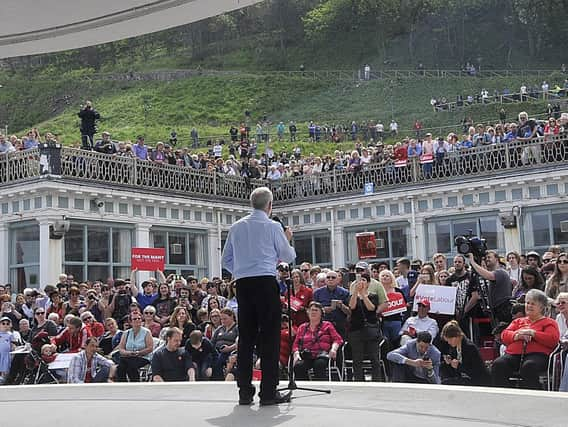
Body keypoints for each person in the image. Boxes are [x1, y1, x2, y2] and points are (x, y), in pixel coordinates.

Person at [221, 186, 296, 406]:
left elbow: (226, 260)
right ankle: (268, 392)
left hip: (243, 284)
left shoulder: (236, 227)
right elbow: (287, 256)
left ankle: (245, 392)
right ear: (270, 206)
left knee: (246, 338)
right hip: (265, 282)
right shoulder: (273, 226)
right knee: (270, 338)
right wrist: (287, 238)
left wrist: (243, 270)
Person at [491, 289, 560, 389]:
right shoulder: (518, 321)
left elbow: (553, 340)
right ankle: (502, 396)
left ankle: (532, 396)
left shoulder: (549, 322)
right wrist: (517, 335)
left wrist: (533, 333)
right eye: (527, 303)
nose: (529, 306)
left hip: (538, 355)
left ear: (541, 307)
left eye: (533, 304)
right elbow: (504, 335)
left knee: (529, 366)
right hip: (514, 354)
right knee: (499, 364)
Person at [292, 302, 342, 381]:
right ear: (308, 312)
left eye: (316, 310)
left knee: (319, 365)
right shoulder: (302, 327)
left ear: (321, 313)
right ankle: (305, 388)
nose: (313, 312)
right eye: (311, 310)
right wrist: (296, 353)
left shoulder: (327, 325)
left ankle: (321, 387)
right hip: (306, 355)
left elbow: (337, 339)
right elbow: (295, 344)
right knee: (298, 366)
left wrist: (334, 349)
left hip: (322, 355)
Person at [348, 273, 382, 381]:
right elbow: (351, 306)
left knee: (374, 358)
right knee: (357, 359)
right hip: (356, 330)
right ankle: (359, 380)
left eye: (363, 280)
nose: (361, 282)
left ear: (368, 283)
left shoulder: (373, 296)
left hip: (371, 329)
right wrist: (355, 292)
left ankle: (377, 380)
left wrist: (363, 294)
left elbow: (371, 308)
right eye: (359, 280)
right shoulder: (352, 296)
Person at [439, 320, 490, 386]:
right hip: (463, 377)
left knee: (448, 383)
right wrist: (449, 361)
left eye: (450, 340)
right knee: (443, 369)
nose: (449, 342)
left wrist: (459, 366)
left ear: (456, 336)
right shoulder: (453, 347)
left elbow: (476, 371)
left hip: (476, 379)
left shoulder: (470, 347)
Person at [467, 251, 512, 324]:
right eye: (485, 258)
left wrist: (472, 262)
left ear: (496, 259)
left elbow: (488, 275)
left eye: (489, 257)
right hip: (497, 310)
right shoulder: (496, 272)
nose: (487, 259)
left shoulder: (500, 272)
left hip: (503, 309)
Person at [116, 312, 153, 382]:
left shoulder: (147, 332)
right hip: (129, 356)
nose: (137, 320)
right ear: (130, 322)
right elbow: (121, 349)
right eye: (134, 319)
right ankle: (122, 385)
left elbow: (150, 348)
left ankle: (135, 384)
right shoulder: (126, 333)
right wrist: (129, 353)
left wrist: (139, 353)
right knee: (120, 367)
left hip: (143, 357)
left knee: (130, 365)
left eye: (139, 318)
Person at [313, 270, 351, 338]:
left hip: (340, 326)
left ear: (338, 280)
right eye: (328, 277)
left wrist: (341, 306)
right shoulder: (317, 293)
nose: (330, 279)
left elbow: (349, 312)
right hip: (323, 326)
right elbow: (313, 310)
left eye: (333, 277)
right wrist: (323, 310)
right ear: (325, 280)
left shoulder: (345, 292)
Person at [211, 308, 238, 380]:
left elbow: (239, 342)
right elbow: (212, 342)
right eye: (221, 319)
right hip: (217, 351)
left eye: (225, 319)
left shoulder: (237, 328)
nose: (223, 321)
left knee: (220, 360)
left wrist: (229, 348)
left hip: (231, 352)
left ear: (231, 316)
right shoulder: (219, 329)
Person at [0, 317, 16, 384]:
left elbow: (13, 344)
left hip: (6, 355)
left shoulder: (10, 334)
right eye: (3, 323)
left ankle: (4, 381)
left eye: (7, 323)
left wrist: (13, 348)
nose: (5, 325)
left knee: (5, 368)